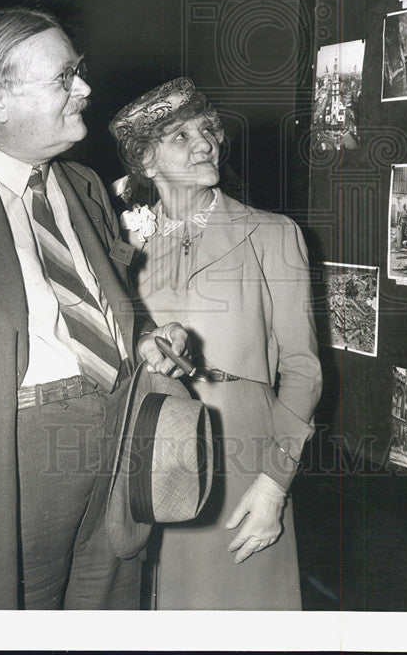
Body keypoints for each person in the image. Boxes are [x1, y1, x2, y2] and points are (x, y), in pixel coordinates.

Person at [0, 8, 187, 610]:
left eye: (79, 71)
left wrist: (139, 337)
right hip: (12, 460)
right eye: (66, 77)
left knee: (109, 606)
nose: (86, 88)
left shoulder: (84, 184)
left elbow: (97, 300)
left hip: (117, 439)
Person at [109, 78, 322, 610]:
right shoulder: (117, 247)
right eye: (179, 136)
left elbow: (304, 370)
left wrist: (275, 483)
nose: (203, 142)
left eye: (206, 129)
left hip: (242, 447)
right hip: (144, 444)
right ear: (147, 162)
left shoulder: (272, 233)